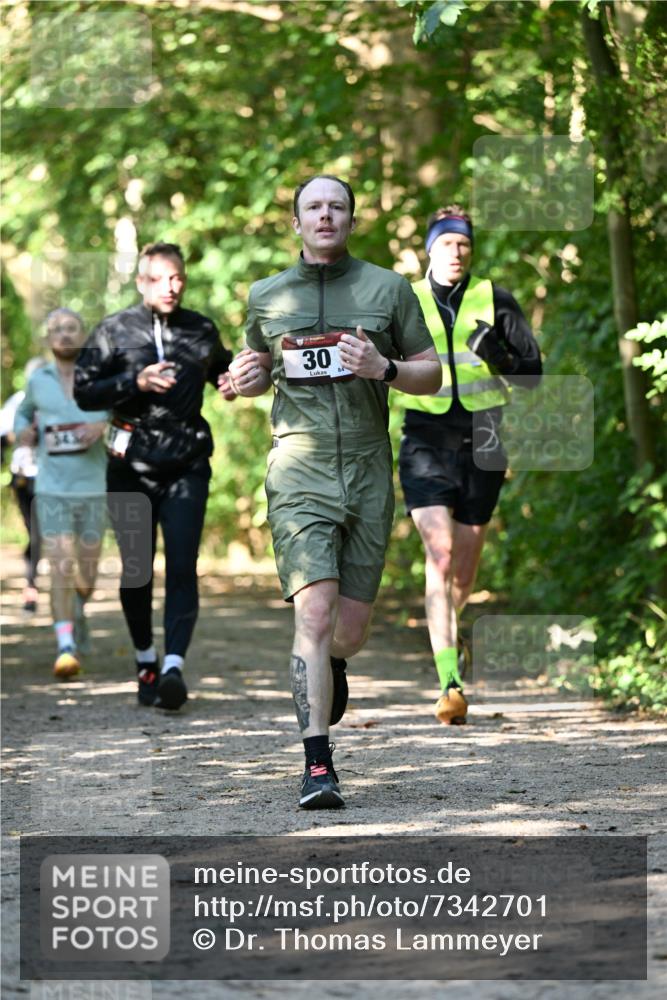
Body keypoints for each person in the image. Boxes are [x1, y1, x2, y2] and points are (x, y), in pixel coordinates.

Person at [228, 175, 441, 809]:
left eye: (337, 207)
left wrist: (386, 369)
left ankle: (334, 664)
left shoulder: (388, 289)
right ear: (295, 223)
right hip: (298, 469)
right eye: (313, 207)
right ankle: (318, 767)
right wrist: (245, 377)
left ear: (352, 219)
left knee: (348, 630)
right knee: (313, 614)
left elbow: (432, 374)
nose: (325, 216)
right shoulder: (267, 296)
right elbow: (256, 367)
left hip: (370, 471)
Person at [74, 242, 236, 710]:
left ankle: (173, 668)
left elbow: (221, 370)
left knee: (183, 565)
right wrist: (135, 382)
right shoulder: (113, 329)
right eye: (162, 278)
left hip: (187, 463)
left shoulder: (200, 328)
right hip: (129, 467)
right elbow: (84, 391)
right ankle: (146, 659)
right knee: (137, 570)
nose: (172, 286)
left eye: (179, 278)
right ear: (142, 282)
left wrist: (229, 383)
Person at [399, 205, 542, 725]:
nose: (456, 252)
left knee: (463, 568)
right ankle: (449, 681)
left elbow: (532, 375)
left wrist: (501, 357)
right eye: (446, 243)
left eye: (463, 244)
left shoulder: (496, 298)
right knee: (438, 554)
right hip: (426, 437)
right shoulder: (405, 299)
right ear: (430, 249)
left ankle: (448, 635)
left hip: (486, 437)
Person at [14, 310, 108, 677]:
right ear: (48, 338)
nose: (64, 335)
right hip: (52, 489)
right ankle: (65, 646)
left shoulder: (100, 376)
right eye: (57, 329)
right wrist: (24, 431)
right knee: (59, 567)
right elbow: (22, 415)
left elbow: (125, 414)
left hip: (95, 488)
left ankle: (78, 609)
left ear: (82, 334)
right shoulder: (38, 381)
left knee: (85, 576)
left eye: (71, 328)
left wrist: (102, 424)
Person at [0, 358, 46, 612]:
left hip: (54, 477)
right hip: (23, 478)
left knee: (45, 534)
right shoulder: (17, 402)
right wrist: (20, 434)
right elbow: (2, 437)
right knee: (35, 533)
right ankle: (31, 586)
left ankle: (36, 586)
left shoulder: (58, 400)